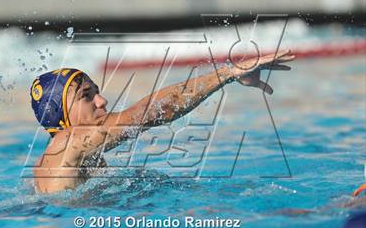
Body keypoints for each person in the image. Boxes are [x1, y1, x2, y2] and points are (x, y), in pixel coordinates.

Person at [30, 50, 295, 193]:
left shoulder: (54, 163)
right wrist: (228, 73)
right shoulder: (70, 141)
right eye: (86, 96)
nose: (102, 101)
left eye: (97, 91)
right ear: (59, 114)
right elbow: (149, 112)